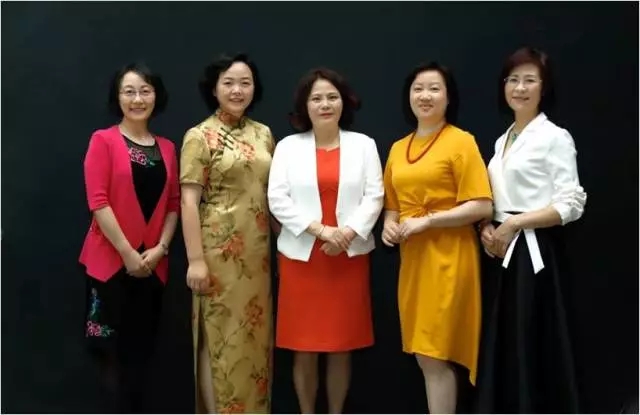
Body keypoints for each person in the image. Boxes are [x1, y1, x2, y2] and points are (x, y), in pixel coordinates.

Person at [475, 46, 586, 414]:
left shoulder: (555, 136)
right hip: (502, 252)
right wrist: (488, 228)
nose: (520, 88)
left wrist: (514, 223)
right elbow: (497, 198)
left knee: (532, 338)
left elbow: (572, 203)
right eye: (513, 80)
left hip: (536, 254)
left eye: (529, 80)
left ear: (544, 87)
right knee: (504, 340)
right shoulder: (502, 139)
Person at [268, 67, 384, 414]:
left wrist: (346, 234)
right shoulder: (288, 147)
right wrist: (321, 231)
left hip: (348, 257)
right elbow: (277, 199)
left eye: (332, 97)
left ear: (343, 102)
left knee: (341, 346)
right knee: (303, 347)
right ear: (305, 106)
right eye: (316, 98)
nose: (325, 104)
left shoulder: (363, 145)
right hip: (303, 258)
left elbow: (375, 196)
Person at [381, 62, 493, 414]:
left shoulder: (461, 141)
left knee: (434, 352)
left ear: (448, 97)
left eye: (434, 89)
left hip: (449, 257)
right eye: (418, 89)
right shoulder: (398, 148)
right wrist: (388, 225)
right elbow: (392, 206)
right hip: (413, 260)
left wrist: (428, 221)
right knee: (423, 353)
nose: (425, 96)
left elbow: (482, 205)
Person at [79, 62, 179, 413]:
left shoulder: (168, 148)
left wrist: (161, 248)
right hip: (109, 265)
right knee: (108, 353)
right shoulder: (103, 140)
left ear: (156, 96)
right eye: (129, 91)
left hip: (152, 266)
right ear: (117, 97)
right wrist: (126, 252)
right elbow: (98, 201)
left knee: (142, 355)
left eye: (145, 91)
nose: (138, 99)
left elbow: (173, 204)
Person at [179, 53, 275, 414]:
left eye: (245, 83)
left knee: (255, 341)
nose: (237, 90)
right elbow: (188, 202)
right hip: (218, 255)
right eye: (229, 83)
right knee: (220, 339)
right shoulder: (199, 136)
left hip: (258, 256)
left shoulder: (263, 133)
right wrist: (195, 260)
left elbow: (273, 196)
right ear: (214, 89)